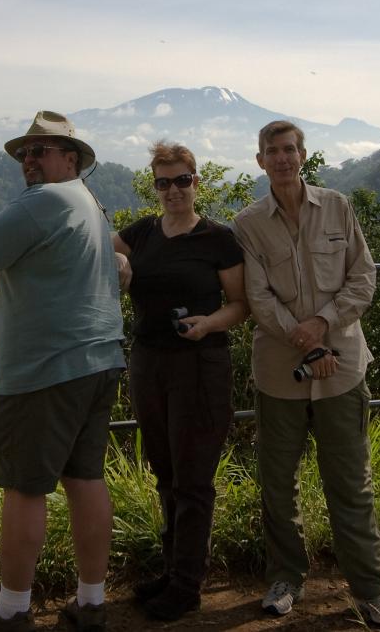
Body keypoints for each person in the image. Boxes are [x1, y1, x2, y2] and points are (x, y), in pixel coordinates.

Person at [0, 111, 126, 632]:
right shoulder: (87, 203)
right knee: (85, 479)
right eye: (25, 153)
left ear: (71, 158)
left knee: (24, 488)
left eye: (42, 150)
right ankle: (92, 601)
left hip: (44, 369)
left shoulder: (43, 202)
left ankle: (11, 612)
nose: (29, 160)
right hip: (99, 360)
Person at [230, 120, 380, 630]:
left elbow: (363, 276)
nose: (281, 158)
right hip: (280, 371)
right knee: (277, 483)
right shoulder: (247, 223)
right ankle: (285, 578)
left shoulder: (337, 207)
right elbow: (258, 299)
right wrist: (308, 340)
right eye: (271, 151)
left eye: (289, 149)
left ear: (302, 155)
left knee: (351, 482)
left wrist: (324, 326)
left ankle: (371, 591)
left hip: (342, 366)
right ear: (260, 160)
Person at [113, 141, 249, 622]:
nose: (173, 191)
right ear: (156, 186)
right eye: (163, 182)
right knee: (164, 472)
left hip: (199, 365)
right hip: (148, 362)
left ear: (197, 181)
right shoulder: (141, 233)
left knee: (192, 478)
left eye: (182, 180)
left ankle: (188, 586)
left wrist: (209, 323)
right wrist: (120, 262)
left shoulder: (218, 238)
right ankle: (173, 573)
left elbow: (239, 303)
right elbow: (91, 254)